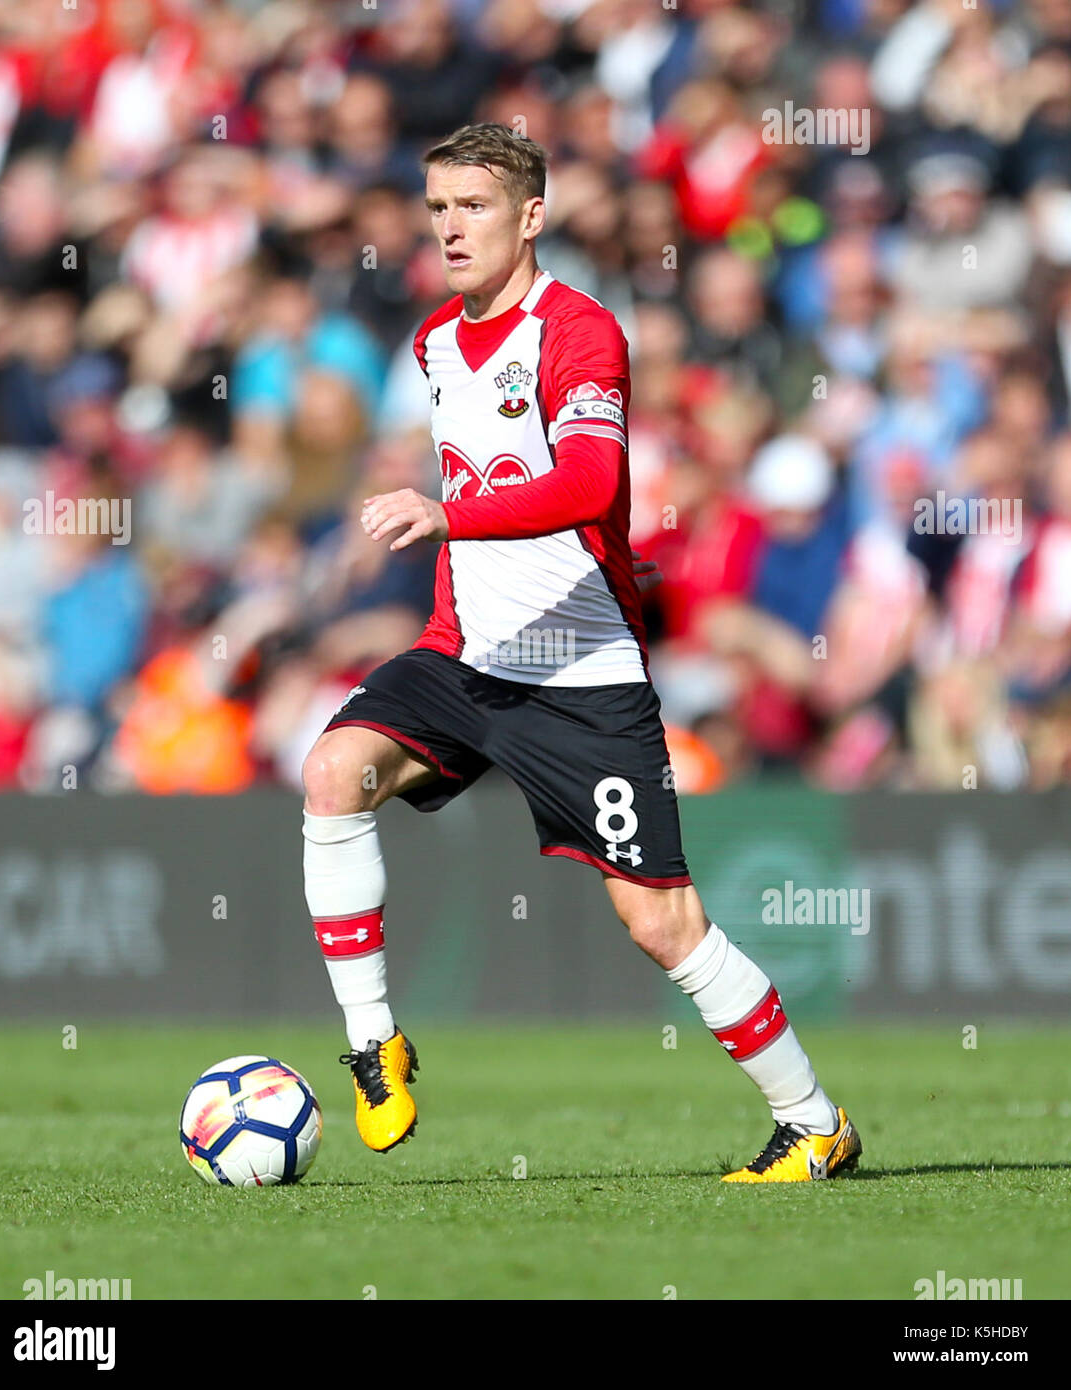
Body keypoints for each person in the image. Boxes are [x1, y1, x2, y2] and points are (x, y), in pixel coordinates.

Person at [299, 123, 861, 1182]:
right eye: (436, 208)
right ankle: (374, 1044)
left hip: (581, 669)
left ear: (531, 215)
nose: (451, 227)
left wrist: (446, 512)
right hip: (466, 654)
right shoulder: (429, 343)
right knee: (332, 772)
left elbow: (592, 488)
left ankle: (814, 1121)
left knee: (661, 925)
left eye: (473, 205)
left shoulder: (581, 331)